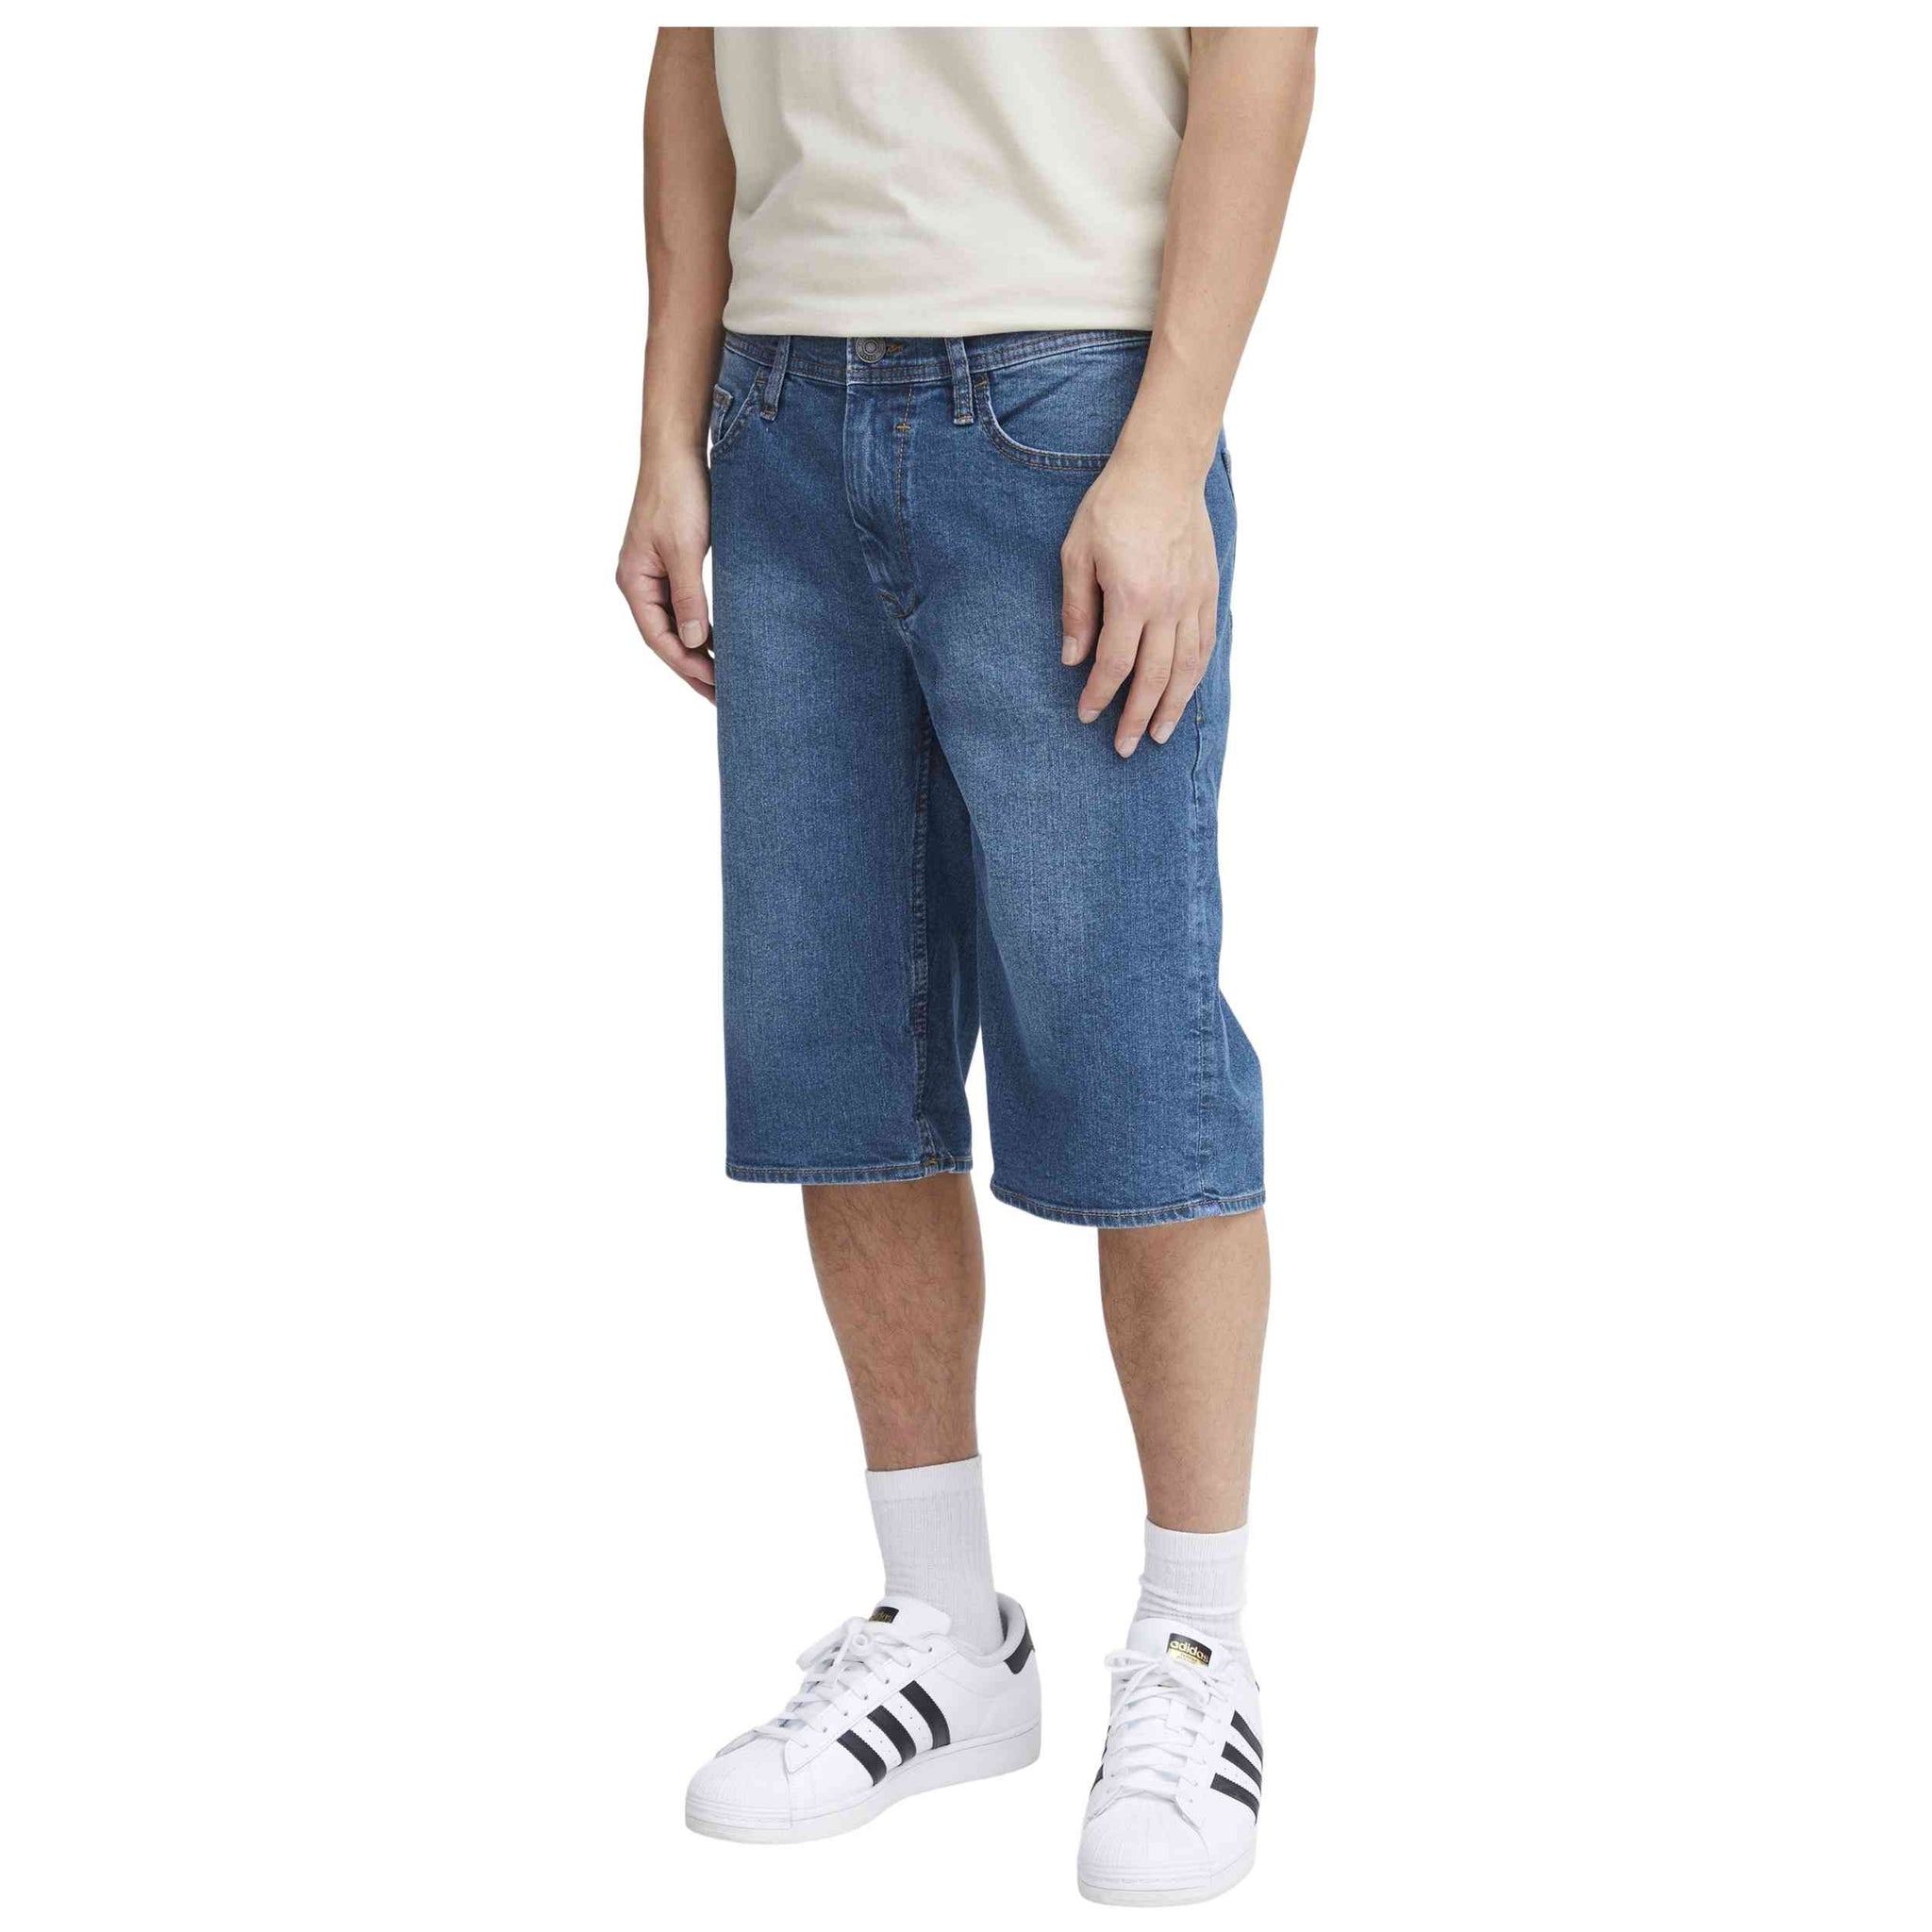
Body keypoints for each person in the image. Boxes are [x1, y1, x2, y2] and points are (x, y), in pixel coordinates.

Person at [618, 25, 1316, 1907]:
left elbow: (1259, 53)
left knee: (1133, 1051)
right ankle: (946, 1634)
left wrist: (1166, 448)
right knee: (839, 1051)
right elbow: (689, 56)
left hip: (1067, 401)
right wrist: (668, 424)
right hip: (778, 413)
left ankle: (1194, 1643)